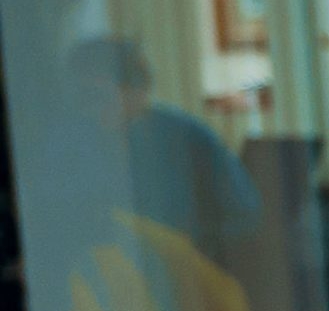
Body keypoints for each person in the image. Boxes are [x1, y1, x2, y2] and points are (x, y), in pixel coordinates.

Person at [63, 36, 259, 264]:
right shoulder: (70, 143)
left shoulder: (187, 139)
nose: (88, 108)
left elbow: (243, 215)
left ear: (136, 91)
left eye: (97, 96)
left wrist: (185, 244)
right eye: (81, 97)